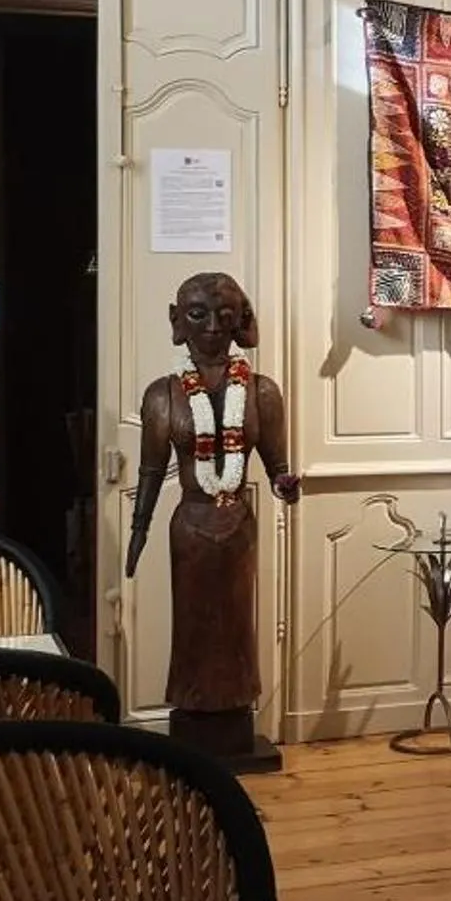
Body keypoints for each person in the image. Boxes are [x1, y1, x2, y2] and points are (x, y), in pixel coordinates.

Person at [127, 271, 298, 763]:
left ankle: (235, 705)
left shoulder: (262, 392)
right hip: (191, 527)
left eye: (225, 316)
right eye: (198, 314)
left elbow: (277, 469)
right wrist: (137, 534)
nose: (211, 327)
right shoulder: (163, 394)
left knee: (237, 625)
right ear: (176, 320)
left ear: (241, 321)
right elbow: (151, 470)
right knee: (194, 627)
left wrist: (287, 488)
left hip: (238, 525)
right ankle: (194, 704)